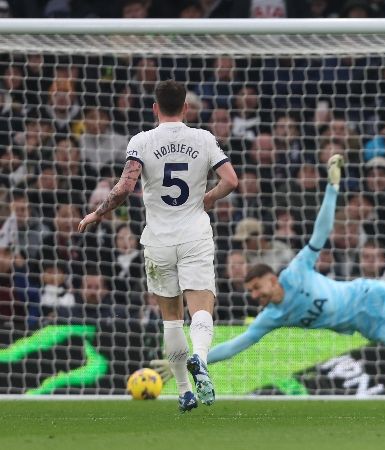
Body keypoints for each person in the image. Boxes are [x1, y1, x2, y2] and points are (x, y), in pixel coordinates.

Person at [150, 155, 385, 382]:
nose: (257, 296)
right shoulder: (271, 318)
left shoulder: (296, 272)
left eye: (258, 288)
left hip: (372, 292)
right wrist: (190, 359)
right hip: (367, 324)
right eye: (252, 293)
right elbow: (235, 347)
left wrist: (332, 189)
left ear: (272, 278)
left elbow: (320, 232)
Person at [77, 79, 239, 413]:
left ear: (155, 108)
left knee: (170, 319)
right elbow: (232, 181)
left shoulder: (142, 141)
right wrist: (205, 199)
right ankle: (201, 358)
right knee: (202, 308)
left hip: (158, 241)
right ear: (186, 107)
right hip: (194, 234)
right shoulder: (203, 138)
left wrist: (97, 213)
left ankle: (183, 391)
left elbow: (124, 187)